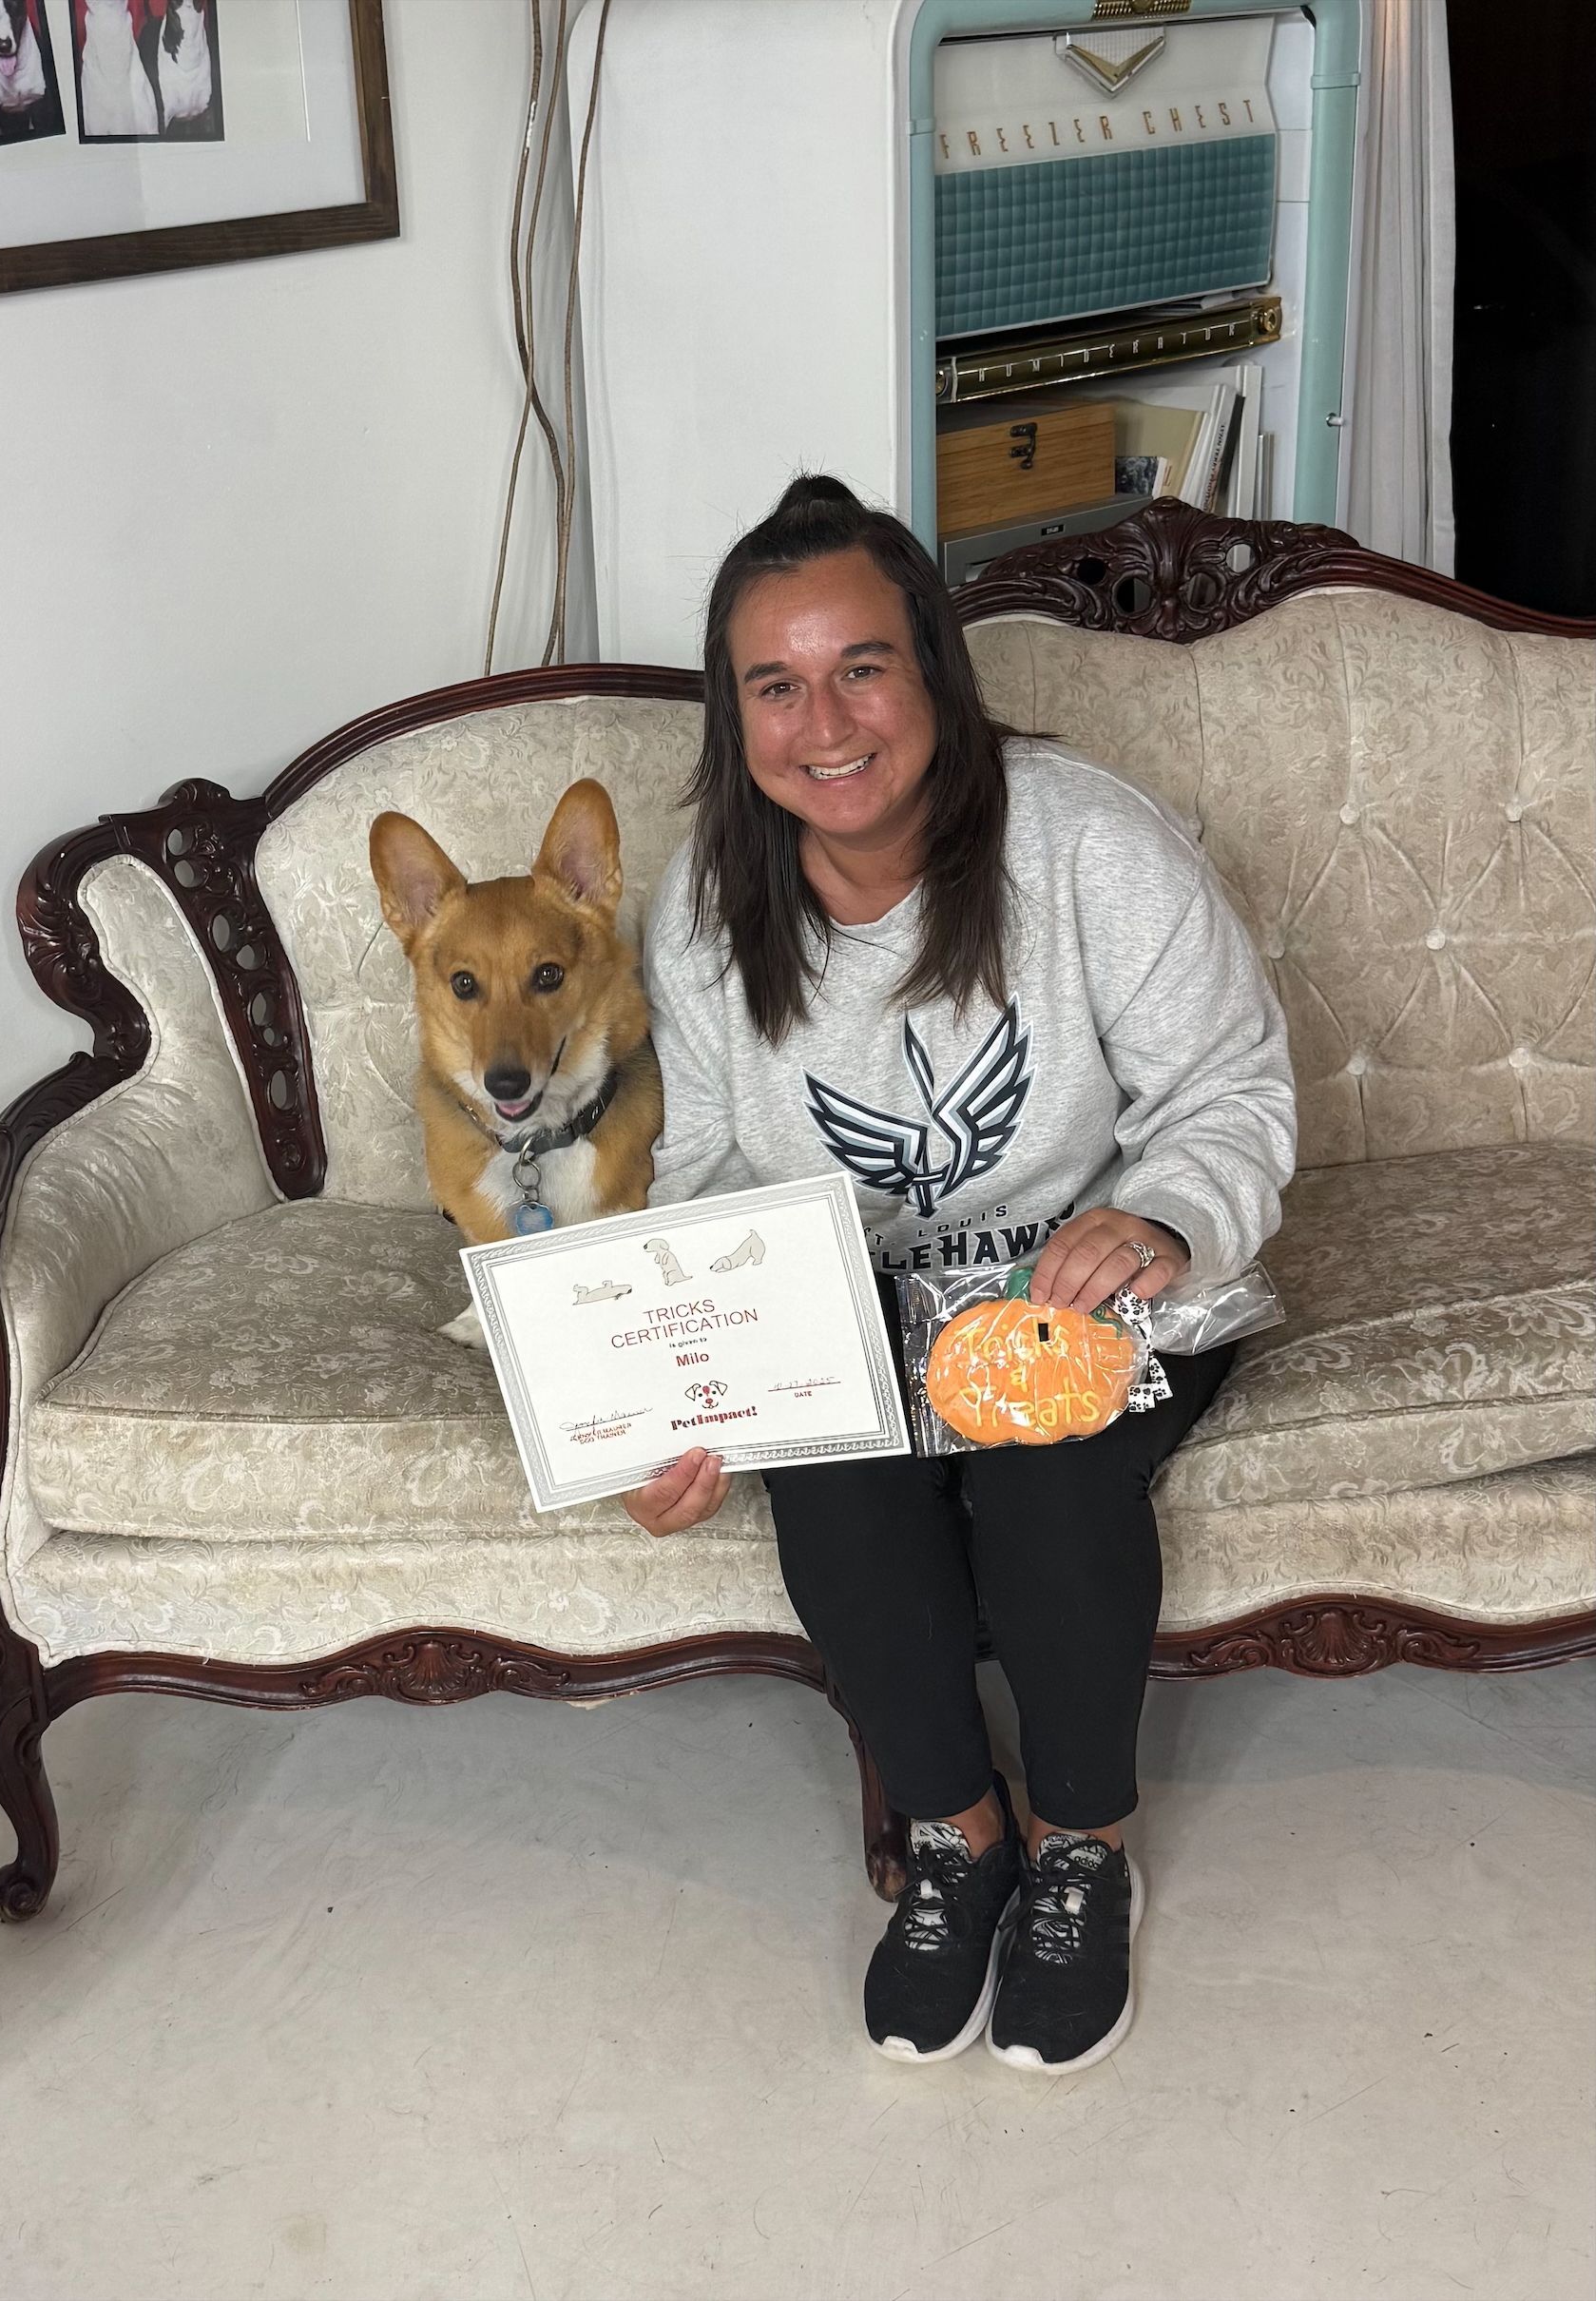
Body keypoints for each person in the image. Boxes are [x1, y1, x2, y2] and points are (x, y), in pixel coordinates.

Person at [621, 475, 1296, 2072]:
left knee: (1044, 1464)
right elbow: (706, 1180)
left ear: (932, 669)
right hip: (853, 1300)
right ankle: (956, 1837)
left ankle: (1080, 1849)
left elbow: (1234, 1086)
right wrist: (690, 1391)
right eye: (773, 686)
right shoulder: (713, 913)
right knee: (829, 1473)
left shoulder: (1080, 841)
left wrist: (1168, 1217)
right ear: (736, 721)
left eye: (862, 665)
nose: (825, 721)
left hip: (1096, 1281)